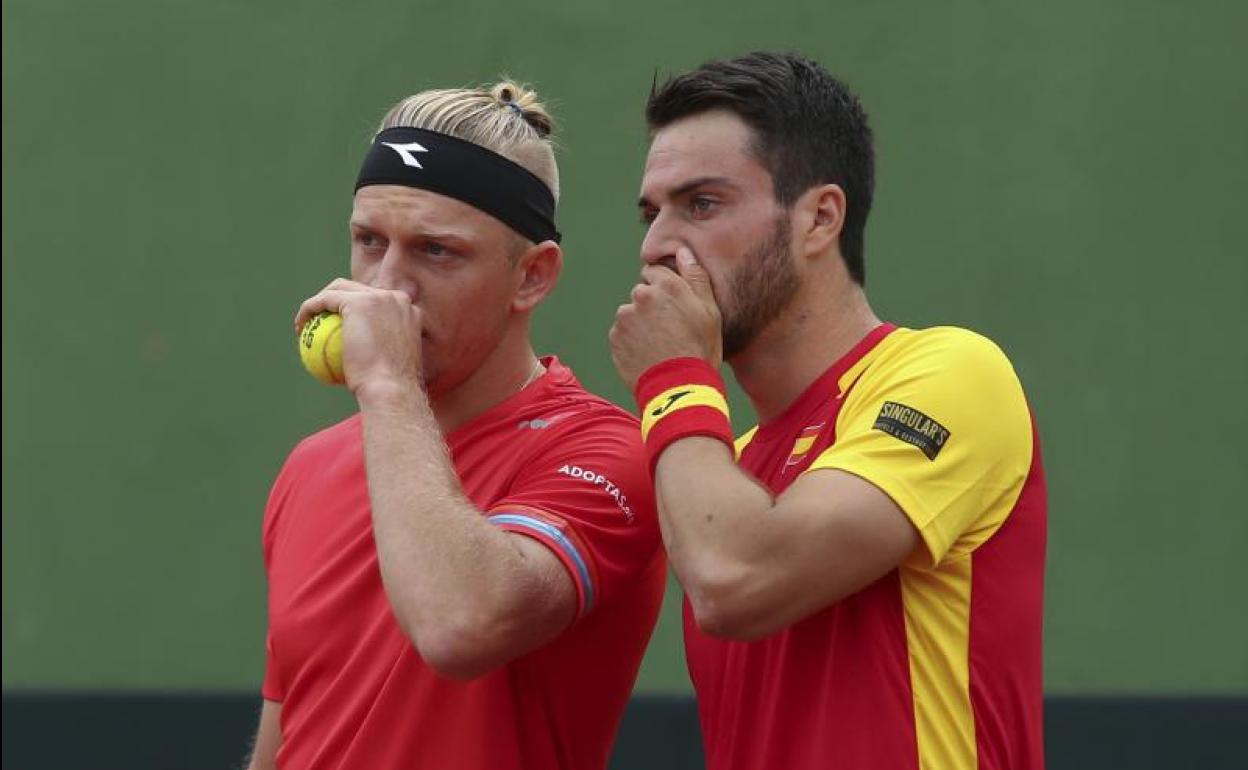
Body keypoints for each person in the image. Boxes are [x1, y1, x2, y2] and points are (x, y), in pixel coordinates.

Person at [610, 51, 1046, 770]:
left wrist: (674, 377)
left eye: (702, 204)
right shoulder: (720, 470)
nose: (656, 247)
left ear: (819, 218)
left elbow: (733, 579)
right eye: (651, 214)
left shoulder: (952, 373)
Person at [247, 81, 666, 770]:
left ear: (532, 276)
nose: (387, 284)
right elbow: (287, 735)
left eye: (435, 250)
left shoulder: (608, 451)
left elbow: (461, 625)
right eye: (368, 240)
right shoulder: (311, 466)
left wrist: (388, 384)